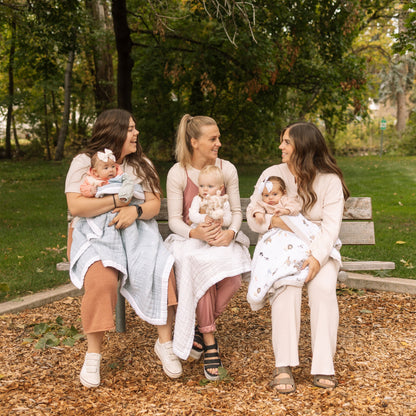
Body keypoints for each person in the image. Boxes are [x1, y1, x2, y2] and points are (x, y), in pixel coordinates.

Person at [65, 109, 182, 388]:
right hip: (96, 236)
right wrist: (118, 203)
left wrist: (135, 211)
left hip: (137, 233)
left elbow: (153, 203)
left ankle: (164, 343)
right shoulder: (84, 162)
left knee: (161, 269)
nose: (136, 133)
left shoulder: (140, 164)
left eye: (135, 128)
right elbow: (77, 206)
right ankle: (93, 355)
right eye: (130, 128)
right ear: (113, 131)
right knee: (101, 281)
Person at [246, 122, 349, 393]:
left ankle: (324, 364)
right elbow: (253, 211)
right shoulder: (272, 174)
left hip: (319, 247)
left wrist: (316, 258)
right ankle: (284, 364)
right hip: (281, 247)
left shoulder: (329, 180)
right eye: (282, 141)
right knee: (286, 285)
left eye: (287, 142)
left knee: (323, 288)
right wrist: (275, 223)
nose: (281, 146)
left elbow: (330, 227)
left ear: (303, 147)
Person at [164, 114, 251, 381]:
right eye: (212, 139)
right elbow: (175, 221)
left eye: (218, 138)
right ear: (194, 142)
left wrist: (231, 233)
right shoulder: (178, 173)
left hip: (222, 238)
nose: (218, 144)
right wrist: (195, 232)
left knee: (233, 279)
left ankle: (197, 331)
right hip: (189, 240)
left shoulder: (227, 169)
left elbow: (236, 212)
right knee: (199, 269)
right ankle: (211, 343)